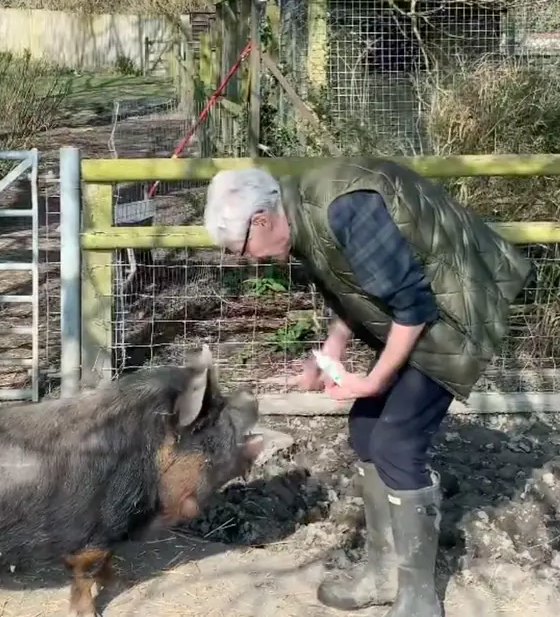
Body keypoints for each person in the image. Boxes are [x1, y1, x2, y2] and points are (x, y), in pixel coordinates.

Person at [203, 158, 533, 616]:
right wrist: (332, 348)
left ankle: (418, 599)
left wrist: (376, 379)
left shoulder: (346, 210)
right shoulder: (299, 216)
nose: (249, 261)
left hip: (463, 304)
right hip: (424, 306)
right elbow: (354, 284)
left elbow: (413, 307)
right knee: (365, 429)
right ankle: (383, 572)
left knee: (397, 442)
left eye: (243, 249)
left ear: (261, 219)